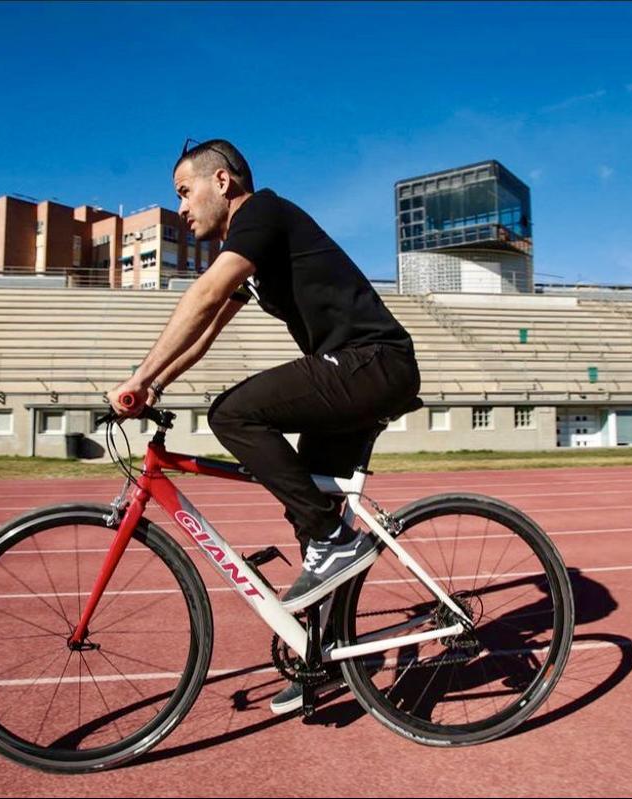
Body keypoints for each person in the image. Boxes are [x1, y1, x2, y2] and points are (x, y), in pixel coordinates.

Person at [107, 138, 420, 712]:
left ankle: (332, 539)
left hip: (373, 361)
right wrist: (152, 385)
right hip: (356, 371)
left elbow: (204, 295)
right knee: (311, 506)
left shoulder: (263, 214)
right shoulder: (253, 242)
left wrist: (139, 372)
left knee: (233, 413)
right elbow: (206, 331)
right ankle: (323, 653)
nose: (180, 206)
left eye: (184, 191)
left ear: (221, 182)